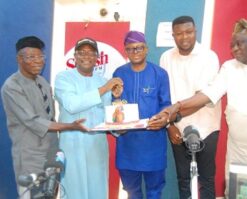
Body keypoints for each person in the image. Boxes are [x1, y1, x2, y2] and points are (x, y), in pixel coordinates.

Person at [149, 18, 247, 195]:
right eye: (232, 45)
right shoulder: (229, 68)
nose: (234, 49)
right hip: (238, 150)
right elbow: (208, 94)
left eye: (239, 44)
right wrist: (176, 108)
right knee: (236, 193)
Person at [1, 36, 88, 199]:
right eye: (32, 57)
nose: (38, 61)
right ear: (19, 59)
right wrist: (70, 126)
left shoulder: (42, 81)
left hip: (51, 154)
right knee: (33, 195)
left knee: (50, 195)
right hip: (29, 156)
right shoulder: (12, 86)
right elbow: (33, 121)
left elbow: (50, 116)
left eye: (41, 56)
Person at [159, 16, 221, 199]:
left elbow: (201, 98)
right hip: (176, 129)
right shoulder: (166, 57)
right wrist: (170, 126)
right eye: (179, 33)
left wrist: (172, 116)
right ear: (173, 35)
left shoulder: (209, 56)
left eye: (188, 32)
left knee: (207, 179)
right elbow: (165, 97)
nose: (184, 37)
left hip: (207, 127)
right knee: (183, 178)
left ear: (195, 31)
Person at [54, 37, 123, 199]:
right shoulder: (63, 78)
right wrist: (105, 88)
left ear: (97, 58)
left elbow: (109, 117)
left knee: (97, 191)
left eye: (91, 53)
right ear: (75, 57)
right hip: (72, 145)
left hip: (96, 147)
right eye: (82, 52)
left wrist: (120, 119)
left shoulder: (102, 81)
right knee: (72, 191)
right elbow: (72, 104)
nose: (87, 56)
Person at [112, 31, 171, 199]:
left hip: (154, 145)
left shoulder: (160, 74)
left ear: (147, 49)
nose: (135, 52)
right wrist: (117, 127)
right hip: (127, 146)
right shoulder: (119, 74)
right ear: (125, 51)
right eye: (130, 49)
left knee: (154, 192)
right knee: (132, 193)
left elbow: (166, 103)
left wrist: (163, 119)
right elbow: (114, 103)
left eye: (139, 48)